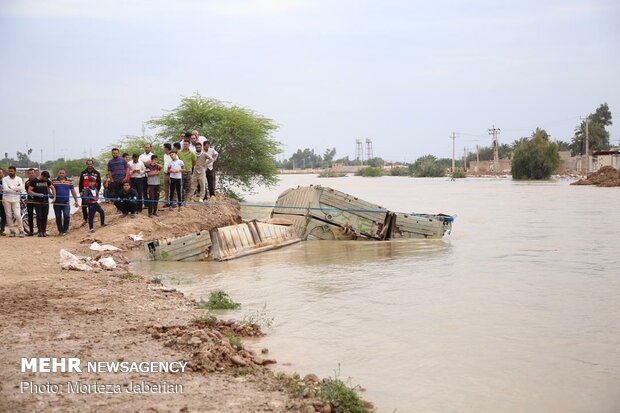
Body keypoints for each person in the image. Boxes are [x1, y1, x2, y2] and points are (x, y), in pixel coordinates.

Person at [52, 169, 79, 236]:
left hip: (66, 202)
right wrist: (51, 195)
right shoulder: (54, 181)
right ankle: (60, 230)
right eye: (60, 173)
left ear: (65, 174)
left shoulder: (69, 181)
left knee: (66, 216)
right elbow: (49, 188)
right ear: (58, 174)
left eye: (63, 173)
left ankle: (65, 229)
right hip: (56, 202)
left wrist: (76, 201)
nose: (61, 174)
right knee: (58, 217)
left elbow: (73, 191)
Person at [28, 170, 55, 237]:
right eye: (45, 178)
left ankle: (44, 231)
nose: (46, 179)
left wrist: (54, 196)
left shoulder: (47, 181)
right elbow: (29, 191)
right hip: (37, 201)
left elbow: (53, 187)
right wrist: (37, 194)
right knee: (39, 216)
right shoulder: (34, 181)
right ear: (42, 176)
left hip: (45, 201)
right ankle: (40, 231)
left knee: (45, 216)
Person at [2, 166, 25, 237]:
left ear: (15, 171)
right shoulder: (4, 179)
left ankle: (21, 230)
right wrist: (15, 188)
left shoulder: (19, 179)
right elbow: (5, 189)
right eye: (9, 171)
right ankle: (12, 231)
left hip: (16, 199)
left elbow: (21, 188)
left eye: (11, 171)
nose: (10, 172)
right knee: (8, 216)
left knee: (17, 215)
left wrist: (10, 187)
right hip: (6, 199)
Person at [24, 168, 38, 236]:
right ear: (28, 174)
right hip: (29, 200)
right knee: (30, 216)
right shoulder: (26, 182)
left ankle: (41, 230)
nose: (31, 174)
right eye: (30, 173)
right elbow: (27, 191)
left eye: (32, 173)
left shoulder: (38, 181)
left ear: (34, 173)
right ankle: (31, 231)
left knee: (39, 215)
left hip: (38, 200)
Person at [162, 143, 172, 208]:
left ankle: (173, 202)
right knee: (166, 189)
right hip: (165, 173)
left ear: (166, 148)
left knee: (172, 188)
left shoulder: (173, 154)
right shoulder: (164, 155)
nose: (163, 149)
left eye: (163, 147)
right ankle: (166, 202)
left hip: (172, 174)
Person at [0, 167, 7, 236]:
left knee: (3, 216)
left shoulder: (6, 181)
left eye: (0, 173)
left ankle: (2, 230)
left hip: (4, 200)